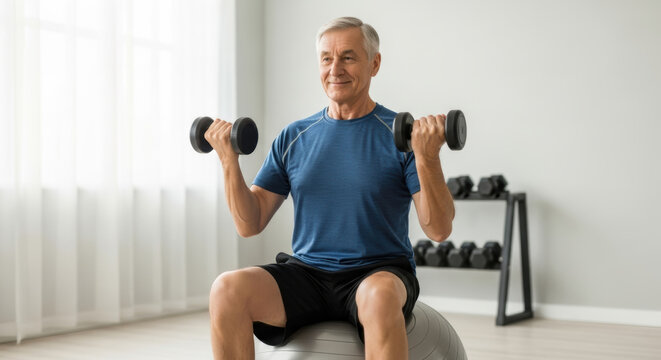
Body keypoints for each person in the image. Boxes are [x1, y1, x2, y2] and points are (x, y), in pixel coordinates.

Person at [206, 17, 455, 360]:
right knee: (226, 289)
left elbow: (438, 229)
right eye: (326, 58)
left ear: (375, 63)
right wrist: (228, 161)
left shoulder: (401, 136)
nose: (335, 69)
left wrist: (427, 157)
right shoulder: (294, 137)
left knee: (379, 295)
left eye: (348, 57)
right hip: (308, 273)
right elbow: (249, 224)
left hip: (379, 272)